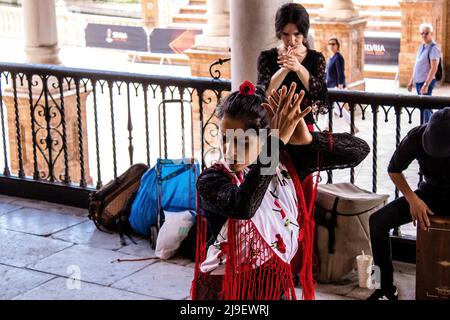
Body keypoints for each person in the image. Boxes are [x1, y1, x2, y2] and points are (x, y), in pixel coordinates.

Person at [191, 80, 370, 300]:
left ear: (264, 139)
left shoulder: (284, 165)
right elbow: (244, 205)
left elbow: (359, 151)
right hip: (225, 291)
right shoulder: (212, 179)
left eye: (243, 142)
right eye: (225, 138)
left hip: (273, 287)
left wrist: (307, 140)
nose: (229, 150)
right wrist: (275, 144)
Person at [368, 107, 450, 300]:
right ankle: (384, 288)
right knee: (377, 221)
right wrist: (413, 199)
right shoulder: (416, 136)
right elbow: (393, 169)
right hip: (429, 194)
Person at [257, 2, 328, 132]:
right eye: (286, 34)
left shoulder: (316, 58)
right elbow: (264, 94)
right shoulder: (266, 57)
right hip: (273, 126)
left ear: (304, 33)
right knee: (272, 152)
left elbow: (318, 93)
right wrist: (285, 68)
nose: (291, 40)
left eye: (297, 34)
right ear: (279, 33)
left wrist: (299, 67)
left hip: (304, 128)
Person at [407, 23, 442, 123]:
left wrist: (426, 84)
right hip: (419, 82)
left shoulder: (433, 48)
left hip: (426, 82)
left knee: (426, 108)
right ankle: (427, 128)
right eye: (422, 33)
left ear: (431, 33)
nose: (424, 35)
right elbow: (417, 65)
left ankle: (428, 129)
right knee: (424, 107)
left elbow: (434, 68)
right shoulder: (422, 46)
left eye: (426, 33)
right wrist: (411, 81)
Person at [323, 36, 357, 132]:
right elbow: (327, 73)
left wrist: (340, 85)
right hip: (329, 86)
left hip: (335, 87)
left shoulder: (338, 57)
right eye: (329, 44)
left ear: (337, 46)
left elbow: (340, 72)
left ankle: (352, 124)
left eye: (333, 44)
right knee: (330, 107)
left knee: (337, 108)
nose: (331, 46)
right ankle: (326, 127)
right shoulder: (331, 58)